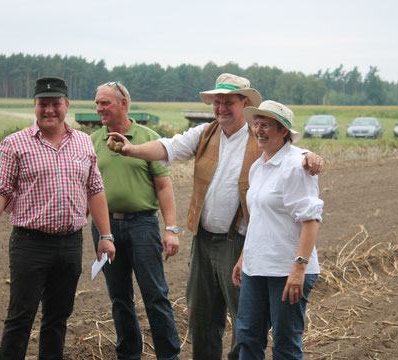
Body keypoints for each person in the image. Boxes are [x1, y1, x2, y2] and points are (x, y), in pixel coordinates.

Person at [107, 73, 323, 360]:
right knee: (203, 316)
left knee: (247, 325)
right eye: (217, 102)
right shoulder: (207, 134)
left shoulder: (261, 141)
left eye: (228, 102)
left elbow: (289, 155)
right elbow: (169, 147)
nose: (221, 107)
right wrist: (131, 149)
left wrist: (311, 154)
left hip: (239, 242)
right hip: (206, 240)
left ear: (244, 102)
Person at [0, 77, 116, 360]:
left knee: (57, 318)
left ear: (66, 106)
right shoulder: (16, 144)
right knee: (20, 318)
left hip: (70, 244)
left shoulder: (84, 142)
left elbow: (95, 190)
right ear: (34, 106)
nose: (49, 110)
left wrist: (106, 236)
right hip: (30, 244)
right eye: (43, 104)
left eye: (55, 104)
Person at [90, 81, 181, 360]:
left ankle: (168, 355)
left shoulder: (147, 138)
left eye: (105, 103)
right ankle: (129, 355)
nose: (99, 108)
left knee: (155, 294)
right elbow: (86, 187)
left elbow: (164, 187)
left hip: (143, 225)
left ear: (123, 104)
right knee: (119, 298)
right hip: (106, 230)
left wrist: (171, 229)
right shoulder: (92, 141)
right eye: (97, 103)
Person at [232, 100, 322, 359]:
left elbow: (311, 219)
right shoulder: (258, 167)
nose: (258, 130)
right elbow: (258, 218)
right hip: (255, 267)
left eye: (266, 125)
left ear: (283, 131)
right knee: (247, 336)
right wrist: (243, 258)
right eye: (256, 124)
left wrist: (299, 269)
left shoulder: (296, 166)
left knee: (285, 343)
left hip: (287, 270)